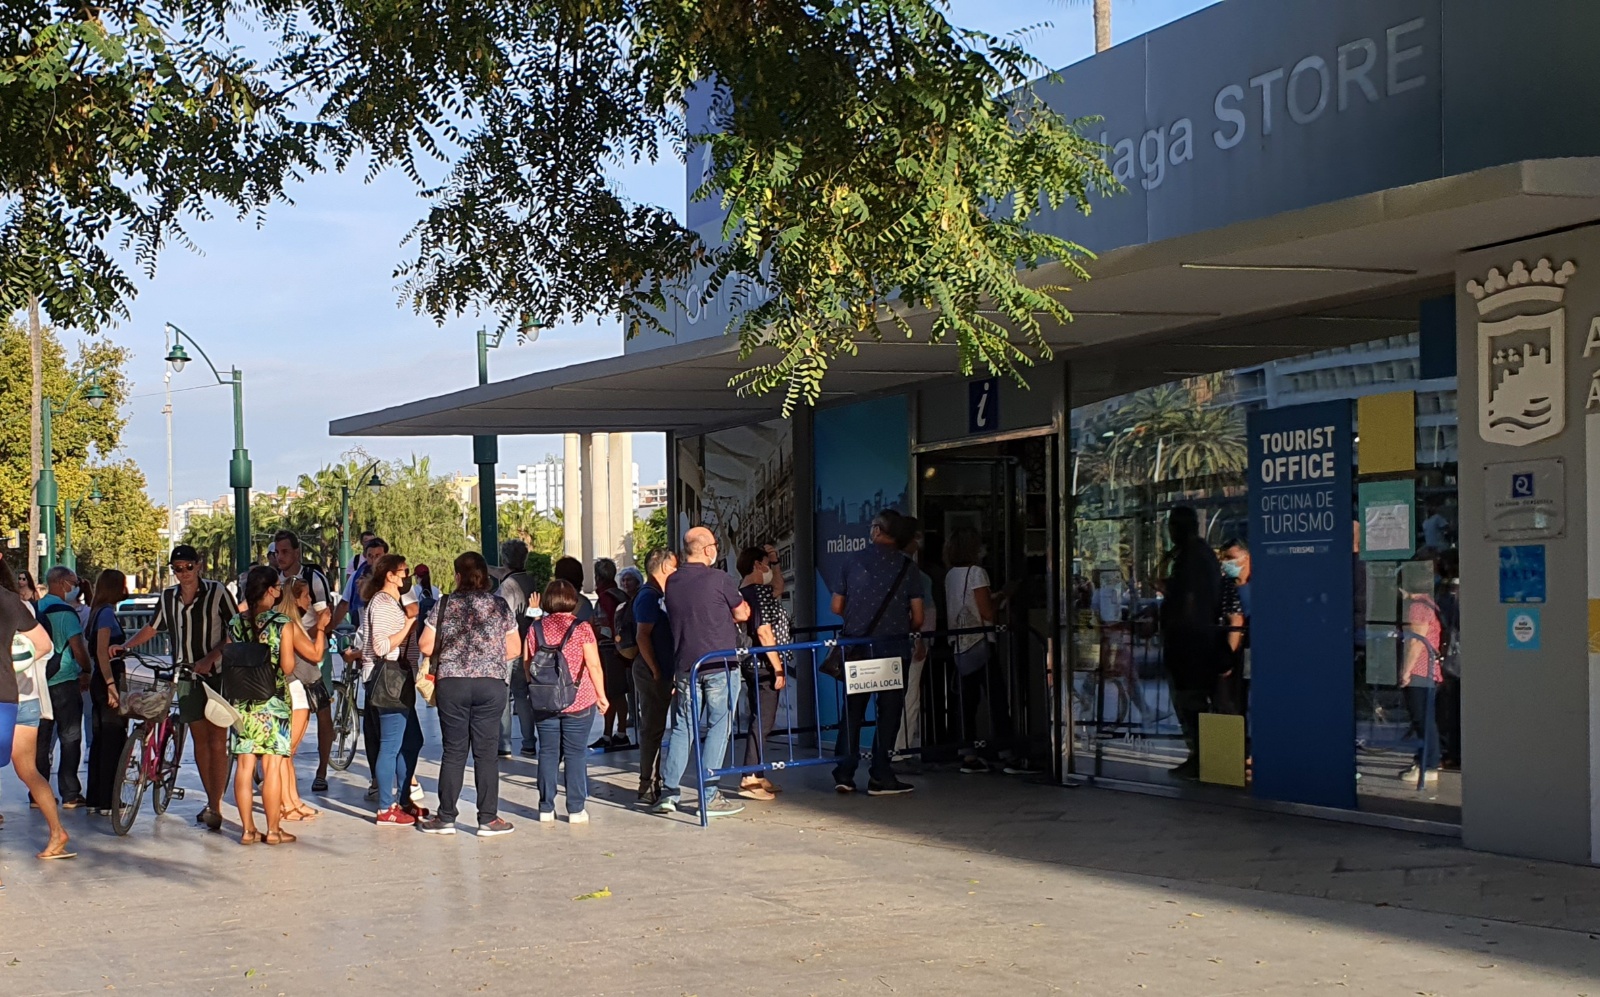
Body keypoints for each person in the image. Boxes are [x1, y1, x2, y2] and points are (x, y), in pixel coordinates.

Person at [114, 545, 235, 831]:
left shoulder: (217, 592)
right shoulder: (168, 597)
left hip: (217, 675)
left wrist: (211, 657)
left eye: (188, 567)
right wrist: (126, 646)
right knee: (200, 741)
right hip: (185, 674)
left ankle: (216, 804)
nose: (184, 573)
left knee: (218, 741)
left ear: (198, 565)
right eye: (178, 569)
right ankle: (212, 802)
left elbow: (235, 629)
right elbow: (153, 627)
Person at [417, 552, 519, 837]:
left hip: (453, 684)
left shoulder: (445, 604)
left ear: (458, 576)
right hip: (490, 684)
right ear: (485, 576)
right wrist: (488, 657)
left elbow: (425, 645)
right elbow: (515, 648)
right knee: (486, 754)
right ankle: (488, 818)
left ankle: (446, 817)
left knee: (454, 751)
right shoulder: (499, 605)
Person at [653, 527, 751, 817]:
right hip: (720, 664)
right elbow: (742, 613)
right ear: (708, 550)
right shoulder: (719, 579)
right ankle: (708, 795)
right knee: (719, 726)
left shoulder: (672, 582)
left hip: (686, 666)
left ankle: (669, 793)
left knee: (683, 727)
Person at [831, 510, 923, 796]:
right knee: (889, 713)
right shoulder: (908, 568)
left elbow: (837, 606)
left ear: (877, 530)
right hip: (893, 650)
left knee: (853, 711)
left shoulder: (852, 561)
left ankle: (844, 773)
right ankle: (881, 774)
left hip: (858, 648)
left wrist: (859, 621)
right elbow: (918, 616)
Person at [1, 561, 74, 861]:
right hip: (21, 697)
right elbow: (44, 645)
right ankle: (57, 832)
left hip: (6, 698)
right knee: (29, 770)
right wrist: (15, 666)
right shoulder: (14, 602)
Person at [526, 578, 608, 823]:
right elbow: (594, 665)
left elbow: (527, 663)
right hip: (579, 699)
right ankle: (575, 808)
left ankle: (545, 807)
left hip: (544, 700)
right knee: (575, 753)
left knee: (548, 752)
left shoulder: (535, 628)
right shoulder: (582, 628)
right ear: (573, 600)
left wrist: (535, 689)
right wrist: (601, 695)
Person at [228, 566, 298, 845]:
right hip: (273, 702)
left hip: (242, 704)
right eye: (278, 586)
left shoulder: (236, 622)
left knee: (244, 767)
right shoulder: (282, 623)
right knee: (272, 768)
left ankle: (247, 830)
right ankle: (273, 830)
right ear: (270, 590)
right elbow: (288, 666)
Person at [361, 553, 425, 826]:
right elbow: (381, 646)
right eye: (404, 572)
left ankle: (403, 799)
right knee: (391, 744)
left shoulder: (393, 602)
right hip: (389, 679)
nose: (407, 577)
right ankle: (386, 806)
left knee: (412, 740)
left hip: (400, 677)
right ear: (390, 575)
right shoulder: (383, 603)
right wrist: (409, 624)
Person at [272, 530, 338, 793]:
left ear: (297, 552)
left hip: (312, 650)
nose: (280, 557)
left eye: (285, 552)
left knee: (322, 709)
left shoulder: (313, 578)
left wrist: (303, 638)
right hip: (289, 653)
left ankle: (321, 770)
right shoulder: (273, 580)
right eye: (277, 552)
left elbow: (325, 616)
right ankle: (283, 773)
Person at [1160, 506, 1222, 780]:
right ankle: (1200, 755)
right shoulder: (1200, 554)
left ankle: (1201, 756)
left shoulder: (1192, 557)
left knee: (1190, 702)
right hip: (1197, 639)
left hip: (1189, 643)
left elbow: (1189, 601)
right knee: (1191, 701)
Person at [944, 527, 1008, 774]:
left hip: (959, 644)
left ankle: (968, 753)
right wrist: (1000, 597)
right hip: (980, 642)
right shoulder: (977, 573)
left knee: (966, 703)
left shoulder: (951, 575)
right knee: (997, 699)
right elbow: (986, 611)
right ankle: (1007, 751)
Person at [34, 565, 90, 810]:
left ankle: (38, 793)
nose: (76, 587)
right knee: (70, 737)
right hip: (64, 680)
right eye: (74, 582)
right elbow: (77, 648)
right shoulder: (66, 613)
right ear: (62, 583)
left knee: (41, 740)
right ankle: (70, 793)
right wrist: (87, 670)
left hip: (39, 681)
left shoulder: (36, 608)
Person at [275, 578, 331, 824]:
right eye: (306, 595)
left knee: (289, 751)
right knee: (287, 750)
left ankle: (293, 800)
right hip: (296, 688)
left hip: (293, 687)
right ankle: (286, 803)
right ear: (295, 598)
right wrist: (321, 627)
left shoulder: (284, 623)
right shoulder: (290, 625)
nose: (309, 600)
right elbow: (316, 653)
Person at [735, 545, 787, 801]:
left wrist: (775, 561)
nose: (770, 569)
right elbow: (764, 632)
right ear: (757, 565)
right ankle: (749, 776)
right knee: (763, 720)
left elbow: (778, 587)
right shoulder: (757, 593)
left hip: (753, 663)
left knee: (761, 718)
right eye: (766, 563)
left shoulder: (747, 591)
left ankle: (757, 771)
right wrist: (778, 668)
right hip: (763, 664)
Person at [630, 548, 677, 807]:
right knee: (653, 728)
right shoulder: (649, 596)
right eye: (675, 566)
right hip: (652, 670)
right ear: (665, 567)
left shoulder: (656, 595)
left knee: (656, 727)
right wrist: (657, 670)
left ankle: (652, 781)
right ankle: (647, 782)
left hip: (658, 668)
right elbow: (642, 635)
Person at [84, 570, 130, 816]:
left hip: (98, 680)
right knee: (113, 738)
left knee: (101, 740)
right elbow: (103, 651)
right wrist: (111, 685)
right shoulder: (107, 614)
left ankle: (95, 797)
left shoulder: (97, 612)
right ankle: (109, 799)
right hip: (108, 679)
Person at [495, 538, 542, 757]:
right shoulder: (530, 581)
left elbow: (501, 617)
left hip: (508, 646)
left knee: (504, 696)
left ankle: (504, 743)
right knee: (523, 696)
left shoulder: (507, 586)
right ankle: (529, 741)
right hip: (527, 645)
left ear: (505, 559)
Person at [1399, 569, 1445, 784]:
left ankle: (1429, 764)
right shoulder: (1430, 603)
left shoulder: (1418, 607)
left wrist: (1405, 671)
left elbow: (1415, 642)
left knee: (1421, 719)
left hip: (1420, 670)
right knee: (1425, 719)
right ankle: (1426, 761)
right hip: (1429, 670)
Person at [894, 519, 934, 756]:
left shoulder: (885, 567)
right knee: (910, 696)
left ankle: (892, 747)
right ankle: (902, 749)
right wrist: (919, 640)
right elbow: (919, 613)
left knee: (892, 697)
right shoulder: (913, 572)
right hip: (911, 642)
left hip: (888, 641)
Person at [591, 557, 631, 749]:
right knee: (618, 693)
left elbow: (609, 624)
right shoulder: (619, 594)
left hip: (609, 649)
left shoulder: (606, 597)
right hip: (620, 648)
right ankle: (617, 732)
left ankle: (612, 734)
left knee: (612, 692)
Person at [1434, 550, 1461, 772]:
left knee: (1448, 708)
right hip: (1458, 656)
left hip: (1452, 658)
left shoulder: (1447, 594)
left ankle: (1452, 753)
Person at [1218, 538, 1251, 718]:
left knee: (1237, 698)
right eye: (1223, 558)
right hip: (1229, 651)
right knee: (1229, 702)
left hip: (1246, 650)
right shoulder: (1226, 584)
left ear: (1246, 557)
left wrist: (1227, 660)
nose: (1226, 563)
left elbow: (1236, 621)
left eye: (1230, 558)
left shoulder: (1257, 584)